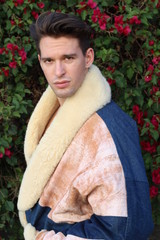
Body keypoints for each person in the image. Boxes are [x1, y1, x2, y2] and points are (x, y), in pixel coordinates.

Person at [17, 11, 154, 240]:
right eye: (49, 60)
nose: (58, 72)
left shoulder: (108, 130)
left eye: (68, 58)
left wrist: (42, 237)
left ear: (88, 57)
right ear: (40, 62)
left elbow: (125, 231)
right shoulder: (54, 111)